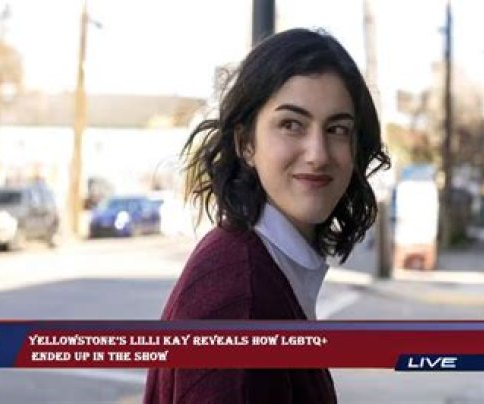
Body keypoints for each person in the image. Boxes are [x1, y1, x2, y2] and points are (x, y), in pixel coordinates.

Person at [143, 28, 390, 404]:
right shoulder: (240, 302)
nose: (318, 154)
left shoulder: (256, 261)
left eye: (338, 129)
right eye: (291, 125)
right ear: (246, 143)